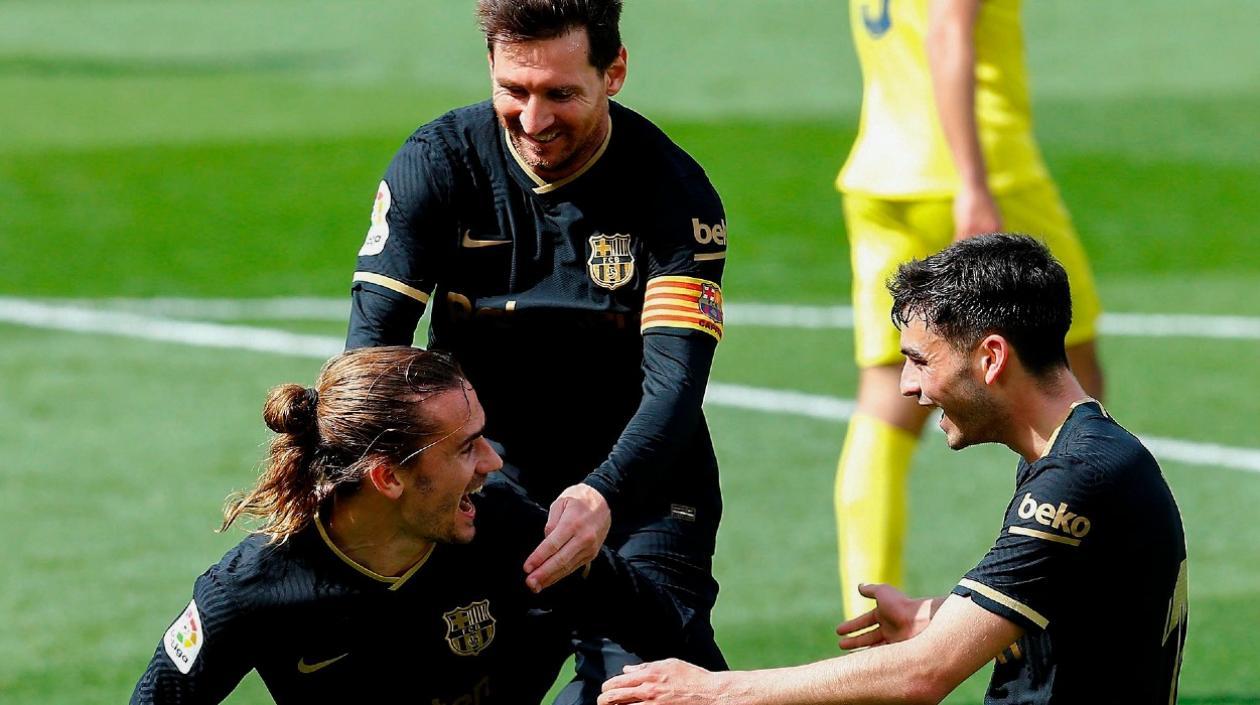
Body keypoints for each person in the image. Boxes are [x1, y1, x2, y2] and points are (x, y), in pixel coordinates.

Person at [599, 235, 1187, 704]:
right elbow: (1083, 619)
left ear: (991, 357)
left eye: (920, 361)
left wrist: (712, 691)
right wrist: (937, 616)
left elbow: (923, 677)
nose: (908, 386)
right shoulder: (1086, 453)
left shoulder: (1076, 479)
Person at [344, 1, 729, 700]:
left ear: (614, 71)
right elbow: (371, 354)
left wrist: (601, 496)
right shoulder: (437, 164)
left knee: (648, 694)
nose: (533, 120)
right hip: (485, 491)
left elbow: (674, 387)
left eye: (560, 94)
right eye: (512, 91)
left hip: (641, 495)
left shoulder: (673, 193)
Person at [131, 346, 690, 705]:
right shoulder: (250, 592)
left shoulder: (509, 528)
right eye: (466, 447)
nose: (493, 463)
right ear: (387, 478)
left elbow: (665, 632)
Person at [832, 0, 1107, 619]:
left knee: (884, 395)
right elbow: (948, 30)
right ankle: (1071, 589)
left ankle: (863, 619)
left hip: (881, 172)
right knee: (1072, 379)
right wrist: (974, 184)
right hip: (977, 166)